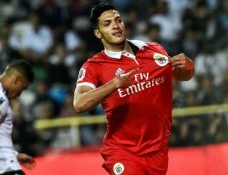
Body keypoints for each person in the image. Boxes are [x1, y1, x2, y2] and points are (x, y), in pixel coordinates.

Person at [73, 3, 194, 175]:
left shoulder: (154, 50)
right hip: (122, 151)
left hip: (157, 149)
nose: (115, 26)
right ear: (98, 33)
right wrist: (113, 84)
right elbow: (79, 104)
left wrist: (189, 67)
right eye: (107, 24)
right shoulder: (94, 66)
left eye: (118, 20)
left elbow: (181, 75)